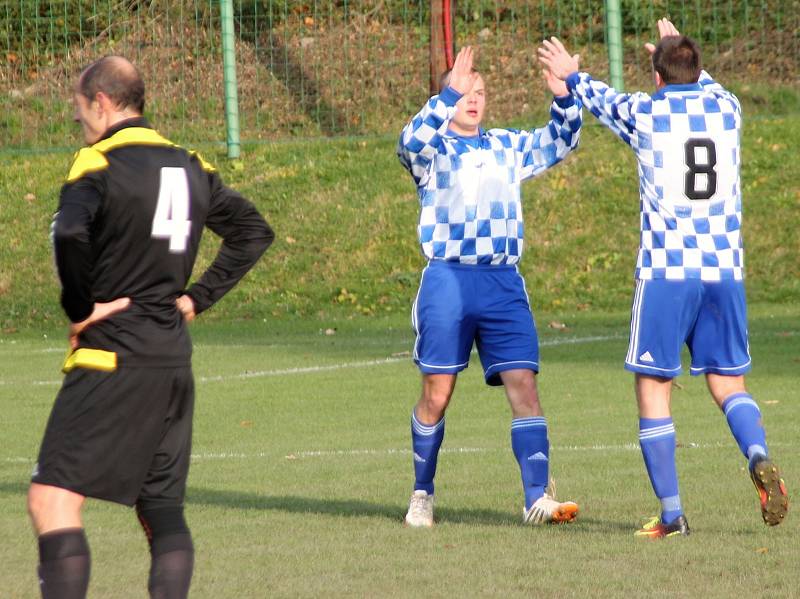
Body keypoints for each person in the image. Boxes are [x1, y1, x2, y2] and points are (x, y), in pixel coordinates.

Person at [27, 56, 274, 598]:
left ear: (102, 102)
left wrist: (80, 306)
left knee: (52, 499)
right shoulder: (190, 164)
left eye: (79, 108)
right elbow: (253, 232)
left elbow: (70, 233)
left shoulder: (95, 162)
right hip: (170, 358)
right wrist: (195, 299)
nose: (78, 121)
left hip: (111, 357)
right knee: (161, 510)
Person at [538, 18, 789, 538]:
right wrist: (678, 53)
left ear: (655, 76)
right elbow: (705, 82)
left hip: (668, 273)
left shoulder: (647, 113)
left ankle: (673, 515)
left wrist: (570, 75)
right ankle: (758, 452)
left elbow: (600, 98)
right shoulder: (727, 108)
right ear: (697, 70)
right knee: (728, 382)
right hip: (724, 270)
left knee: (654, 387)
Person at [396, 46, 582, 527]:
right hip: (448, 280)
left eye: (479, 92)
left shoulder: (506, 145)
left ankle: (536, 499)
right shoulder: (432, 150)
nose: (473, 100)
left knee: (525, 386)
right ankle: (422, 492)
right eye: (464, 92)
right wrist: (447, 94)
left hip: (502, 283)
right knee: (437, 393)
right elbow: (407, 142)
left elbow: (560, 141)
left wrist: (565, 97)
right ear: (446, 96)